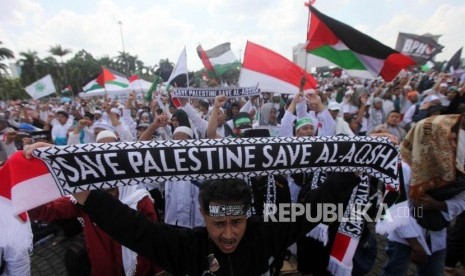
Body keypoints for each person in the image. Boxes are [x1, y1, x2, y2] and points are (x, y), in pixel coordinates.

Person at [382, 114, 465, 276]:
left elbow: (463, 198)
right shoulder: (404, 166)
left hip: (437, 235)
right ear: (431, 140)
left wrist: (439, 205)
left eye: (455, 138)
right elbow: (394, 208)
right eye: (448, 139)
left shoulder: (456, 164)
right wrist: (415, 245)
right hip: (404, 238)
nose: (454, 143)